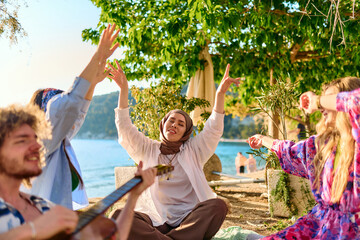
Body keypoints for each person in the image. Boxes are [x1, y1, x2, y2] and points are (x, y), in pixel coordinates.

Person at [108, 61, 241, 239]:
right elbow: (125, 129)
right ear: (163, 124)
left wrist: (220, 94)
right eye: (171, 121)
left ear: (186, 132)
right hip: (155, 219)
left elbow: (213, 130)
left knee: (218, 206)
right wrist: (124, 90)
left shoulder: (194, 150)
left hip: (188, 220)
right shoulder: (147, 148)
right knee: (117, 216)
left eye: (181, 124)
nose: (174, 125)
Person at [0, 104, 157, 240]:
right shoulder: (46, 218)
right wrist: (34, 230)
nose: (37, 146)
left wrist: (133, 196)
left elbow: (114, 237)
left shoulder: (43, 207)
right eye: (22, 140)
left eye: (36, 139)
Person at [21, 24, 120, 210]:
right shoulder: (40, 142)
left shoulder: (55, 141)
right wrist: (98, 56)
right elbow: (68, 107)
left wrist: (92, 85)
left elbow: (77, 114)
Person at [247, 77, 360, 239]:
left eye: (329, 101)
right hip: (318, 225)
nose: (321, 108)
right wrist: (262, 139)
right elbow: (290, 152)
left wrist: (318, 101)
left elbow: (357, 101)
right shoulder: (323, 145)